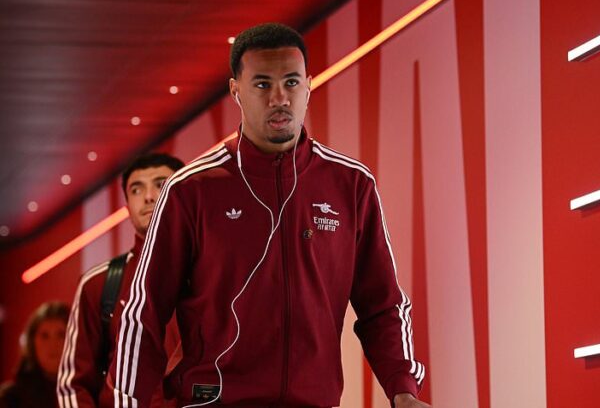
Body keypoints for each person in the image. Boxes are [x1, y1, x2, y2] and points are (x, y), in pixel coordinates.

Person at [106, 23, 429, 408]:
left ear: (308, 86)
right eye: (262, 84)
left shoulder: (351, 184)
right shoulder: (191, 189)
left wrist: (403, 391)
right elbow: (143, 313)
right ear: (236, 91)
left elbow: (384, 306)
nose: (280, 98)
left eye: (291, 82)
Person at [56, 153, 185, 408]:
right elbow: (73, 385)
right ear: (127, 206)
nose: (148, 196)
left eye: (161, 184)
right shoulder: (99, 283)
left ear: (185, 194)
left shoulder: (218, 272)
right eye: (136, 189)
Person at [0, 302, 70, 408]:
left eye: (61, 335)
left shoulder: (90, 393)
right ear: (31, 343)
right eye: (44, 336)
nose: (53, 344)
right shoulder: (9, 399)